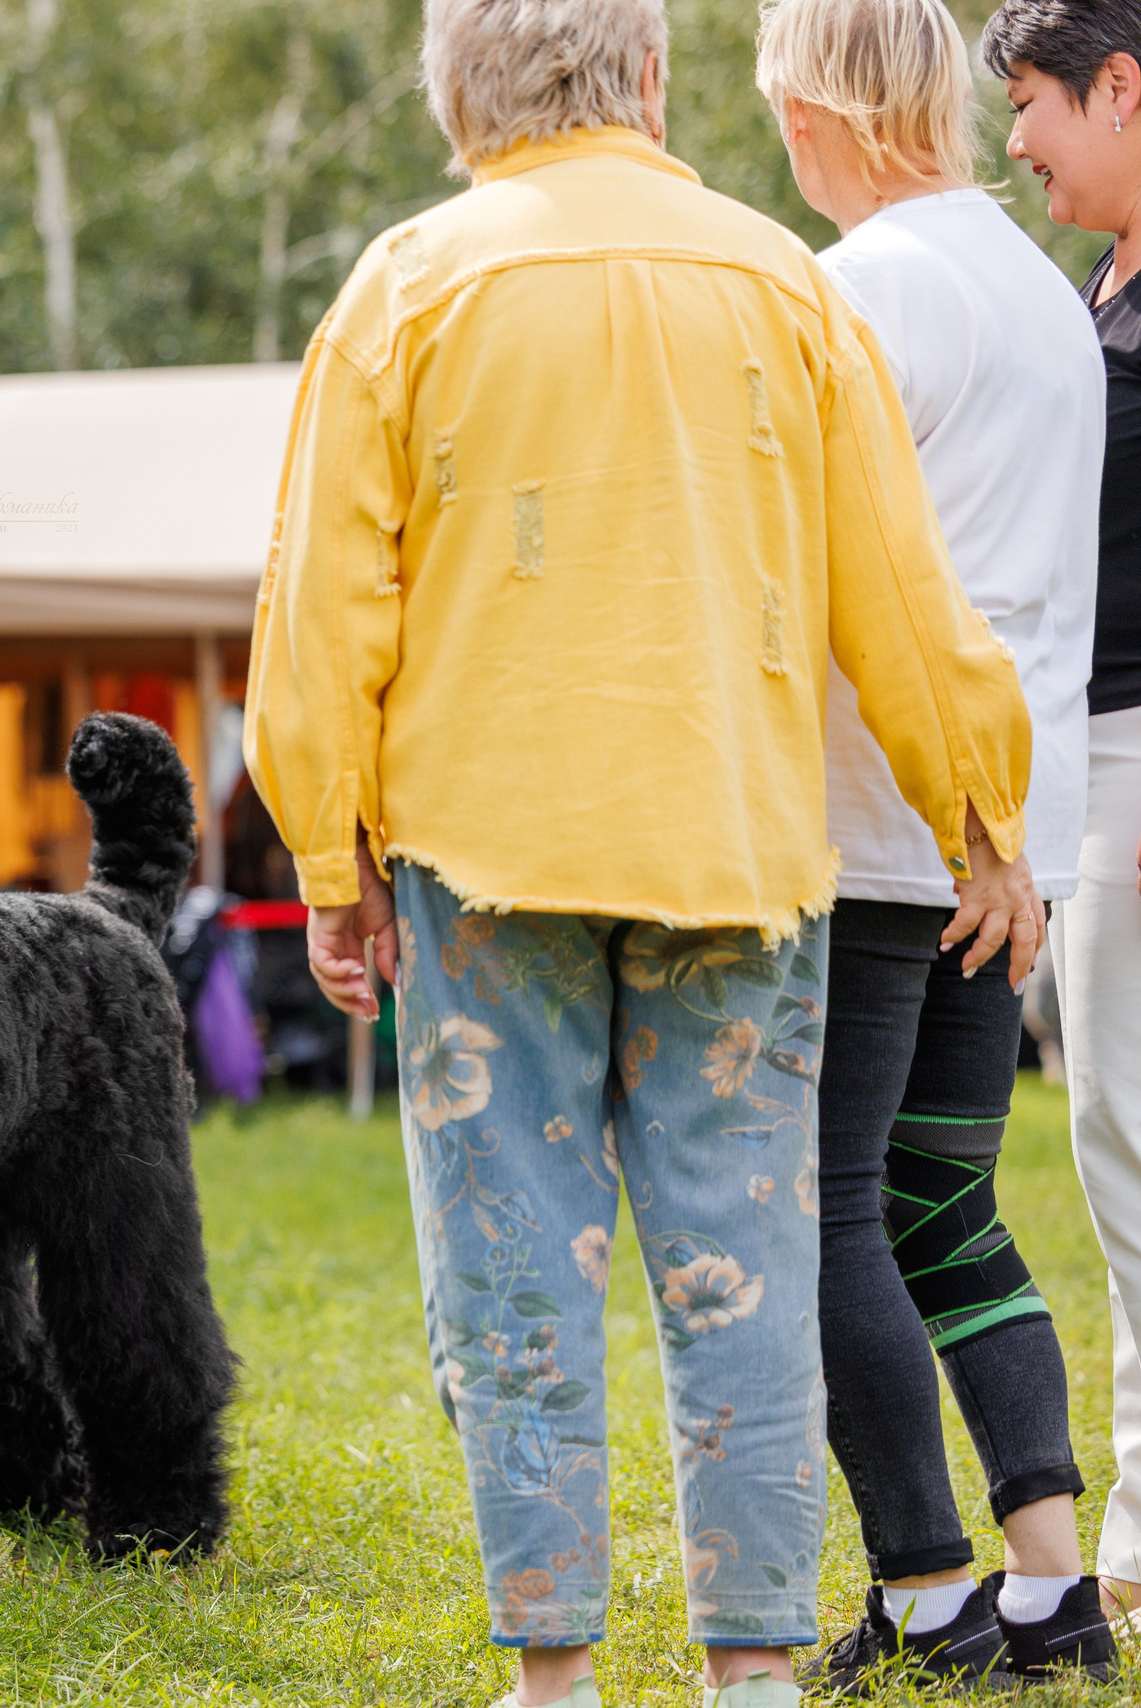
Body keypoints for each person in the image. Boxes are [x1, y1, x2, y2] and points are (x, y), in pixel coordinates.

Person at [243, 0, 1037, 1702]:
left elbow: (319, 608)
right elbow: (900, 593)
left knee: (510, 1264)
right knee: (744, 1267)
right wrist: (980, 817)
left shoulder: (405, 283)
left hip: (483, 852)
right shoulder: (783, 281)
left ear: (459, 87)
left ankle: (555, 1678)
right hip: (735, 850)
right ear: (655, 76)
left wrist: (331, 856)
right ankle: (751, 1672)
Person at [755, 0, 1107, 1685]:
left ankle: (923, 1591)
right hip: (1011, 828)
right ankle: (1055, 1584)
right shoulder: (1042, 289)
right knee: (945, 1202)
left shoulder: (865, 288)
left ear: (823, 106)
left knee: (820, 1210)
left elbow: (800, 558)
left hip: (874, 825)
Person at [981, 0, 1141, 1644]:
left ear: (1121, 88)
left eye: (1031, 103)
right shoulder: (1097, 292)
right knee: (1115, 1150)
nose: (1016, 139)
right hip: (1093, 752)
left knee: (1134, 1141)